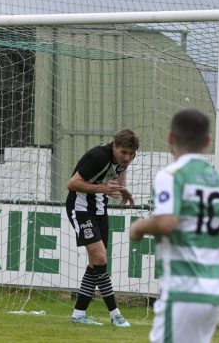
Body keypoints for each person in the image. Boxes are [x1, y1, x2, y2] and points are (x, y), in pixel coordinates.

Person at [130, 108, 219, 343]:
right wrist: (206, 243)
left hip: (182, 291)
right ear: (207, 141)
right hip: (212, 293)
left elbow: (167, 222)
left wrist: (139, 227)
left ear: (170, 138)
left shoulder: (171, 175)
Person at [66, 129, 139, 327]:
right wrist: (104, 189)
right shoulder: (99, 157)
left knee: (95, 264)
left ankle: (79, 314)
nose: (127, 157)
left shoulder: (125, 159)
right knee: (100, 259)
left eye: (131, 154)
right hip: (80, 208)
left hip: (99, 208)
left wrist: (123, 188)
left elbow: (120, 170)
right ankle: (115, 314)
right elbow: (72, 184)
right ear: (114, 146)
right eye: (123, 152)